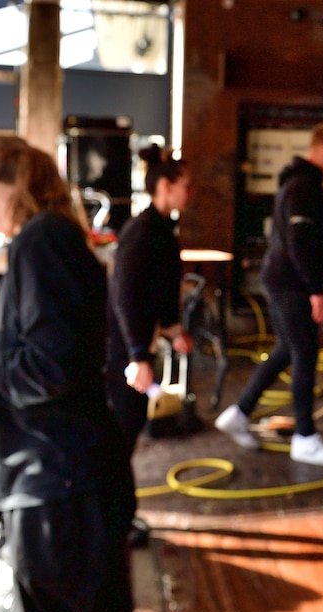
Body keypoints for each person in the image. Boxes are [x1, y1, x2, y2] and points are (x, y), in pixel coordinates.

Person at [0, 135, 136, 612]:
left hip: (59, 491)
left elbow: (50, 368)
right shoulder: (52, 239)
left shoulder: (42, 242)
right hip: (63, 483)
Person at [213, 122, 323, 466]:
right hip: (292, 284)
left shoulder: (300, 182)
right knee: (305, 353)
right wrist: (316, 289)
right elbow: (300, 243)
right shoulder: (304, 187)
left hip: (283, 280)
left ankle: (239, 413)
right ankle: (305, 438)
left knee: (287, 350)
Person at [107, 144, 193, 448]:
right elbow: (125, 296)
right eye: (186, 186)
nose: (190, 193)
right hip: (123, 347)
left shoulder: (161, 230)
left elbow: (158, 289)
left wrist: (172, 328)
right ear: (166, 186)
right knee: (124, 427)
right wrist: (137, 356)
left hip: (140, 343)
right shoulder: (142, 231)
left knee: (132, 421)